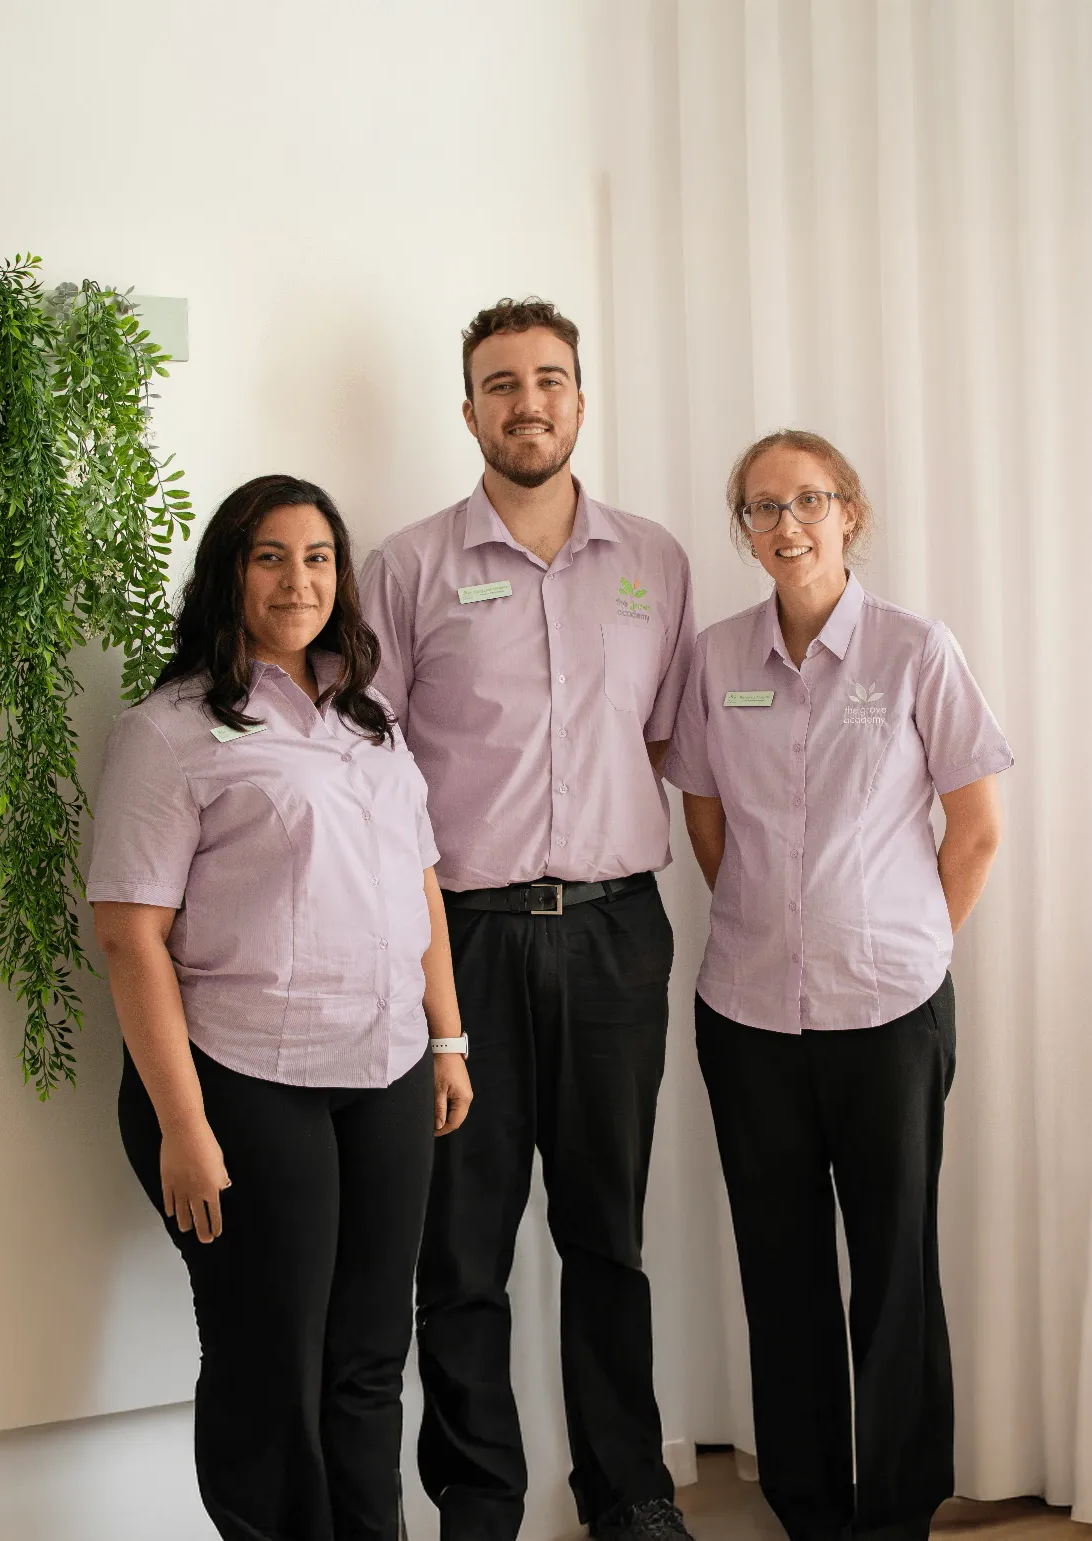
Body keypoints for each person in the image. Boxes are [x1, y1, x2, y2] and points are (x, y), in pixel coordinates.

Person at [357, 299, 697, 1541]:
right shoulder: (405, 568)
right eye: (500, 384)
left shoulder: (654, 560)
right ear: (468, 412)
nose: (527, 403)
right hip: (466, 943)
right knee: (459, 1248)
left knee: (606, 1229)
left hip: (617, 933)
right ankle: (479, 1505)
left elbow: (671, 741)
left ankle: (629, 1492)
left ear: (580, 400)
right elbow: (366, 765)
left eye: (549, 379)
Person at [87, 473, 473, 1541]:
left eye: (316, 556)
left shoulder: (370, 714)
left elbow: (422, 882)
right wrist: (183, 1123)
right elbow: (128, 933)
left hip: (388, 1068)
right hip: (245, 1079)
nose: (297, 578)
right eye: (269, 555)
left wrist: (447, 1035)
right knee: (269, 1359)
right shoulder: (170, 729)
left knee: (365, 1356)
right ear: (229, 572)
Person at [664, 429, 1013, 1541]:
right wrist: (787, 927)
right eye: (762, 507)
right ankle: (809, 1507)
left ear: (849, 512)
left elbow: (975, 831)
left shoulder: (915, 651)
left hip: (891, 1016)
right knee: (782, 1271)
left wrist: (899, 941)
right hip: (750, 1014)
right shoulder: (716, 659)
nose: (787, 524)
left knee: (896, 1269)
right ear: (746, 529)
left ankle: (896, 1509)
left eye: (808, 500)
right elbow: (707, 824)